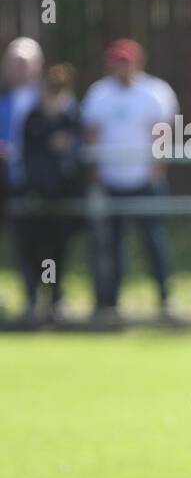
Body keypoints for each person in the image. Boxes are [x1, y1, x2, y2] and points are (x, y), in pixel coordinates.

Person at [80, 39, 177, 322]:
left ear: (138, 62)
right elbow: (92, 135)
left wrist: (155, 171)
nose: (121, 67)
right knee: (112, 245)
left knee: (154, 242)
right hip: (111, 182)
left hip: (146, 182)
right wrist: (97, 175)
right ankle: (110, 302)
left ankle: (164, 298)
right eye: (116, 61)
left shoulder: (155, 92)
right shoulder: (98, 94)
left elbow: (162, 135)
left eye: (126, 61)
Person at [16, 64, 83, 323]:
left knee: (57, 250)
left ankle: (55, 298)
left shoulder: (70, 115)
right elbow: (27, 153)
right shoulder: (33, 117)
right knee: (32, 249)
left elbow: (77, 149)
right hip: (35, 194)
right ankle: (33, 298)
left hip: (62, 195)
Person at [0, 37, 46, 318]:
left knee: (39, 243)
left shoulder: (49, 100)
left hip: (38, 185)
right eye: (13, 63)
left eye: (24, 63)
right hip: (4, 184)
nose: (19, 69)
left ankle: (42, 299)